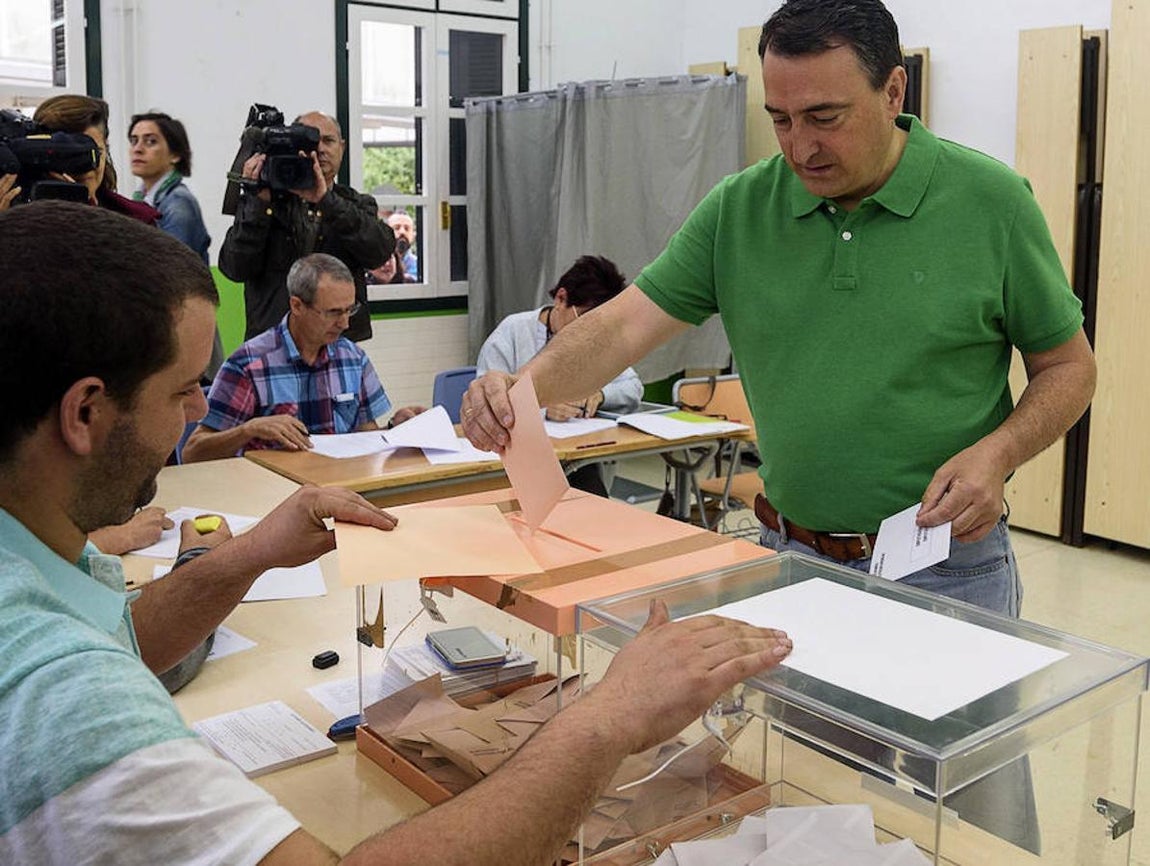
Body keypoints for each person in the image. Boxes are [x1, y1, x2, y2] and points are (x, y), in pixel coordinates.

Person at [462, 0, 1094, 850]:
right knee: (814, 804)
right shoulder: (741, 210)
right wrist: (519, 389)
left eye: (825, 118)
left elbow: (1070, 369)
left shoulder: (989, 202)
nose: (800, 147)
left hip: (950, 567)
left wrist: (1000, 450)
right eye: (781, 120)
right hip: (797, 567)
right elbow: (620, 328)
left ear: (893, 88)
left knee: (973, 822)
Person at [0, 200, 793, 864]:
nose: (199, 413)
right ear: (85, 412)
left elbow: (124, 637)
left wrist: (252, 551)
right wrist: (608, 719)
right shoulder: (62, 692)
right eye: (181, 391)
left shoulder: (36, 561)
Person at [181, 253, 423, 462]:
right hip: (269, 493)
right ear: (297, 306)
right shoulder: (249, 364)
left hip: (338, 487)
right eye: (333, 313)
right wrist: (248, 430)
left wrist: (394, 428)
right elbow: (193, 453)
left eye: (350, 310)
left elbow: (366, 437)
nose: (345, 323)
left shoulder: (353, 358)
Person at [477, 255, 644, 497]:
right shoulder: (511, 332)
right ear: (561, 298)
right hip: (516, 461)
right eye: (585, 319)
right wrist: (544, 409)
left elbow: (633, 387)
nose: (589, 332)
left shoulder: (597, 340)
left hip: (575, 456)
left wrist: (600, 395)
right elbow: (488, 403)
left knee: (591, 502)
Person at [220, 110, 391, 342]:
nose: (320, 149)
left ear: (342, 147)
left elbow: (378, 253)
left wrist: (327, 201)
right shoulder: (265, 202)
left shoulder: (357, 204)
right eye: (310, 141)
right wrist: (257, 203)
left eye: (328, 141)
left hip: (339, 342)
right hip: (274, 342)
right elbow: (234, 268)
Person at [128, 110, 224, 380]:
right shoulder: (142, 199)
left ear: (175, 154)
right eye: (134, 140)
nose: (138, 148)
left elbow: (169, 276)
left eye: (150, 141)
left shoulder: (177, 203)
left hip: (182, 326)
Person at [33, 95, 159, 224]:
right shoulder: (21, 215)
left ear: (106, 148)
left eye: (96, 152)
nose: (88, 167)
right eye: (74, 154)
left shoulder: (136, 220)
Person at [386, 210, 418, 281]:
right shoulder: (378, 265)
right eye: (396, 228)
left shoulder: (420, 266)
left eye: (407, 228)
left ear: (413, 235)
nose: (402, 232)